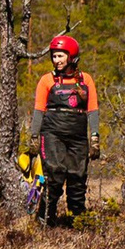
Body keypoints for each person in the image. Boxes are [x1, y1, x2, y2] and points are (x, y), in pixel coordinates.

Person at [32, 33, 97, 227]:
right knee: (55, 175)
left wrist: (95, 137)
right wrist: (34, 136)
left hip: (78, 135)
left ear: (71, 56)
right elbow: (38, 110)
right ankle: (45, 223)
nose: (56, 60)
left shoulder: (86, 80)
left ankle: (78, 224)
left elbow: (92, 109)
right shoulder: (46, 80)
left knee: (78, 179)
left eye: (60, 56)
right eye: (54, 56)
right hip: (52, 133)